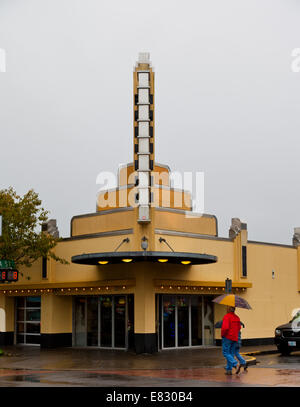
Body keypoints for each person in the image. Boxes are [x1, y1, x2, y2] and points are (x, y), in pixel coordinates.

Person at [221, 306, 241, 375]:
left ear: (229, 309)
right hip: (235, 338)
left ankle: (235, 364)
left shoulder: (227, 317)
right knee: (231, 354)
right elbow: (239, 328)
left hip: (227, 337)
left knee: (225, 353)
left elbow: (225, 328)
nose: (226, 309)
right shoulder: (237, 317)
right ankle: (229, 370)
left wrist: (223, 335)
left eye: (227, 308)